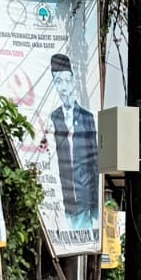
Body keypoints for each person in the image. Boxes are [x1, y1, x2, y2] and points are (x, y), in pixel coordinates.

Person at [49, 53, 100, 230]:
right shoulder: (53, 117)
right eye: (58, 82)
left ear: (73, 82)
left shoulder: (87, 118)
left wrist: (95, 205)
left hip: (83, 201)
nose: (63, 88)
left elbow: (95, 164)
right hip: (61, 201)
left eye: (66, 81)